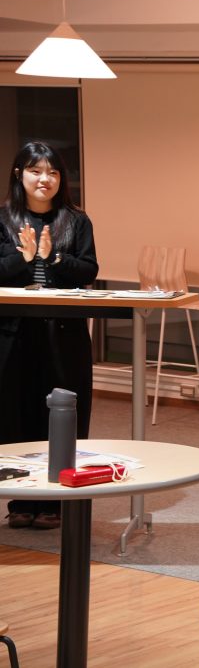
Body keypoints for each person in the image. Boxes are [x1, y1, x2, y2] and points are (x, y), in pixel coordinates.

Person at [1, 141, 99, 529]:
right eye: (36, 171)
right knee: (15, 413)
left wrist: (54, 256)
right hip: (13, 333)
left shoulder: (76, 221)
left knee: (62, 416)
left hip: (63, 333)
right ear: (19, 174)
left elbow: (88, 270)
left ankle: (56, 501)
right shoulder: (4, 219)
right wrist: (23, 258)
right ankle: (20, 500)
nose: (45, 179)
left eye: (53, 172)